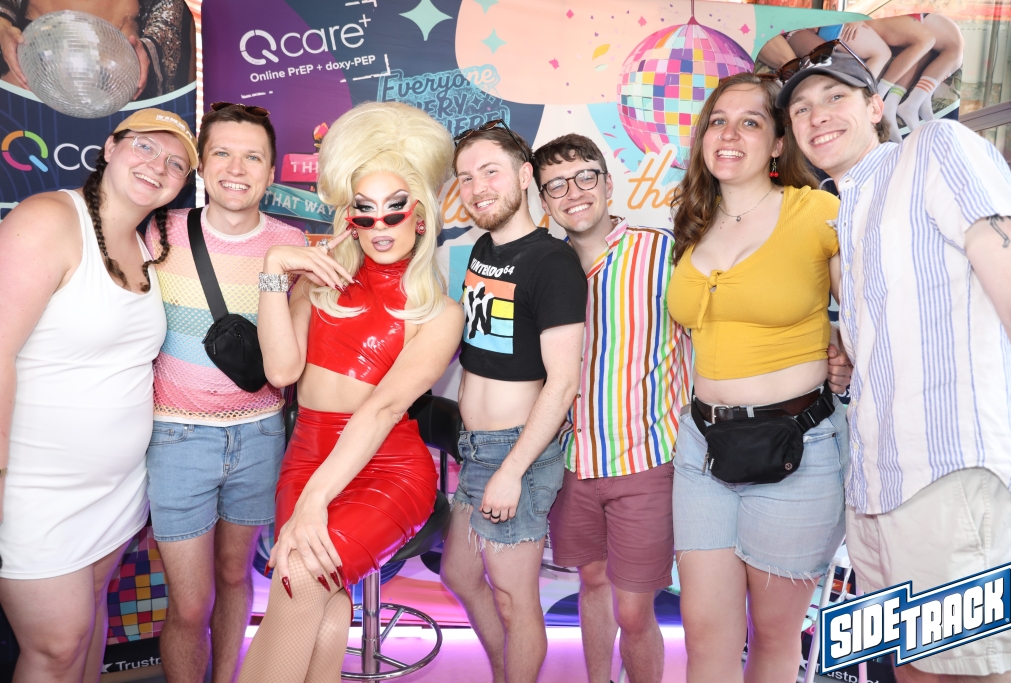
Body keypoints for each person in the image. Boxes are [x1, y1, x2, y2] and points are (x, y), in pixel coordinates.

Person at [780, 47, 1011, 683]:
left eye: (835, 97)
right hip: (875, 490)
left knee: (979, 673)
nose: (816, 115)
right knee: (913, 672)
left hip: (948, 475)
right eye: (801, 108)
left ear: (875, 107)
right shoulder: (848, 210)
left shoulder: (935, 148)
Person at [237, 101, 464, 683]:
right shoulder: (319, 284)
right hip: (308, 455)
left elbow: (384, 409)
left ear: (421, 217)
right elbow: (281, 372)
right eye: (365, 211)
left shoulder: (440, 312)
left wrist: (314, 501)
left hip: (387, 465)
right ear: (349, 217)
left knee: (299, 577)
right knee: (326, 609)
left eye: (395, 210)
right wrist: (275, 268)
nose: (380, 227)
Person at [665, 72, 852, 683]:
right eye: (718, 121)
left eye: (750, 122)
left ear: (777, 144)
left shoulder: (816, 212)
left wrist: (846, 352)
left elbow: (870, 313)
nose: (729, 134)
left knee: (773, 638)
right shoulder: (691, 222)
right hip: (702, 449)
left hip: (797, 450)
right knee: (705, 638)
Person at [0, 108, 195, 683]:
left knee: (88, 633)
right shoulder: (49, 220)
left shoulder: (147, 246)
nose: (157, 166)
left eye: (176, 163)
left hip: (116, 491)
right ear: (110, 148)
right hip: (34, 489)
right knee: (56, 647)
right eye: (145, 147)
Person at [143, 102, 304, 683]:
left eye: (252, 157)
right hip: (176, 437)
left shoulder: (291, 242)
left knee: (236, 577)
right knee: (189, 604)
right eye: (223, 153)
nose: (237, 169)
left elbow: (298, 352)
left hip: (260, 434)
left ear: (271, 171)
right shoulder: (159, 231)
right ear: (202, 165)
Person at [532, 133, 689, 683]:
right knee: (592, 583)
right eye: (556, 185)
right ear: (543, 201)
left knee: (634, 609)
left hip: (646, 461)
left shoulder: (662, 252)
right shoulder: (543, 266)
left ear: (607, 182)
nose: (573, 192)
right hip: (572, 464)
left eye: (584, 177)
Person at [439, 121, 587, 683]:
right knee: (459, 573)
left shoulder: (552, 263)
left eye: (490, 171)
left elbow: (563, 383)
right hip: (475, 449)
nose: (477, 187)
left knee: (514, 598)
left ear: (525, 176)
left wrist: (512, 471)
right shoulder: (483, 248)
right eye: (465, 177)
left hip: (515, 452)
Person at [0, 0, 191, 98]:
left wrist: (149, 48)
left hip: (119, 73)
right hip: (37, 63)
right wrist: (2, 26)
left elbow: (169, 9)